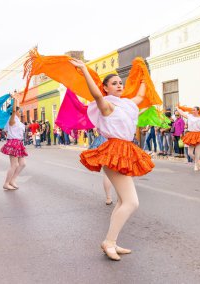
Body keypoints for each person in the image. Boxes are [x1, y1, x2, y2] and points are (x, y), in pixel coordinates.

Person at [70, 58, 155, 261]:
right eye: (114, 83)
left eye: (120, 82)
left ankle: (112, 241)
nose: (119, 85)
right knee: (132, 203)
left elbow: (141, 95)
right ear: (106, 88)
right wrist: (84, 70)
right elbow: (96, 94)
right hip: (114, 152)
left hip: (126, 151)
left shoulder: (127, 104)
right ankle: (109, 241)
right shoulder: (107, 106)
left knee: (123, 201)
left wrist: (144, 73)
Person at [0, 94, 28, 190]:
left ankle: (12, 180)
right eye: (18, 111)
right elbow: (14, 110)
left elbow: (16, 109)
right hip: (13, 143)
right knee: (14, 165)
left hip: (19, 143)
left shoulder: (18, 121)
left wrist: (17, 99)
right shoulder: (11, 120)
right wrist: (14, 99)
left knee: (23, 164)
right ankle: (6, 183)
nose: (20, 112)